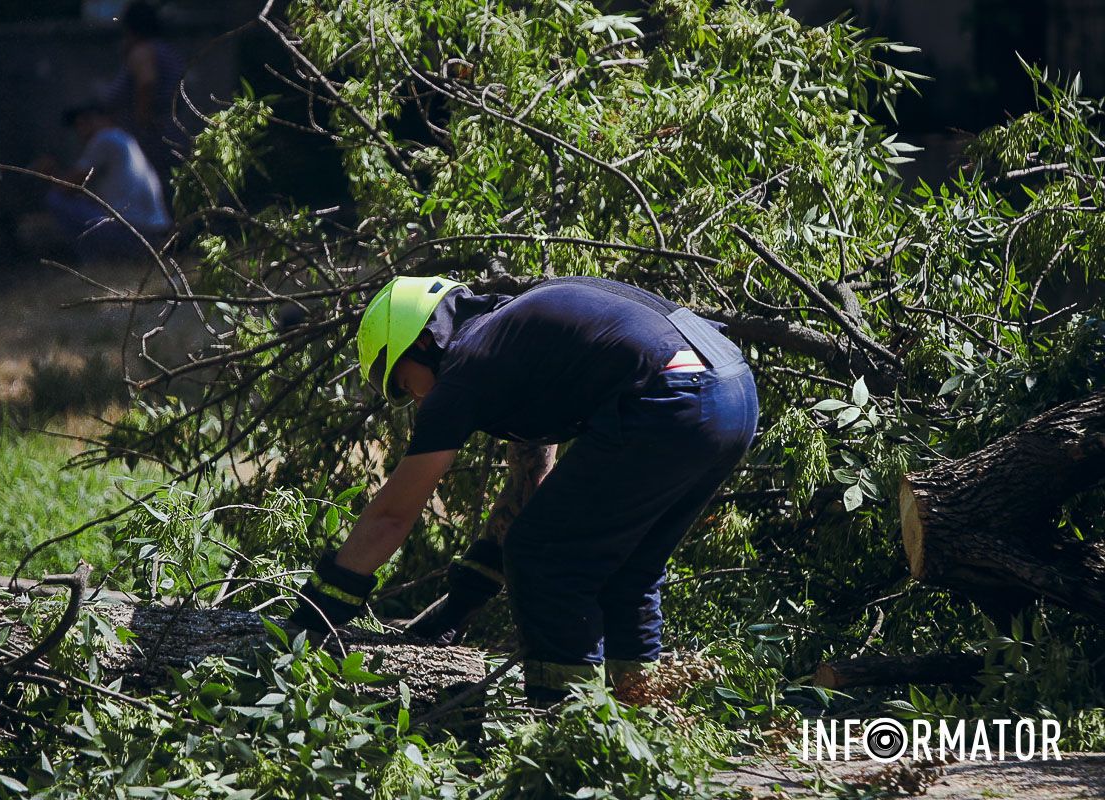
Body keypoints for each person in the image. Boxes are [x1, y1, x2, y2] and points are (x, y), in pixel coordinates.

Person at [289, 273, 760, 703]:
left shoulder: (466, 366)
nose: (416, 398)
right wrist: (461, 602)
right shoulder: (509, 333)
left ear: (425, 341)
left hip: (673, 393)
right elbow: (530, 481)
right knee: (628, 571)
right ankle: (642, 715)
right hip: (731, 387)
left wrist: (312, 618)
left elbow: (392, 516)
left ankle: (569, 730)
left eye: (404, 382)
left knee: (547, 557)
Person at [39, 103, 171, 264]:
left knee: (55, 199)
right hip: (152, 232)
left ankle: (93, 260)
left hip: (134, 232)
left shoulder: (104, 139)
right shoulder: (122, 138)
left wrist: (49, 172)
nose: (81, 130)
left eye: (84, 122)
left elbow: (69, 187)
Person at [102, 0, 188, 191]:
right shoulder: (164, 50)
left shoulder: (143, 52)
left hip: (153, 137)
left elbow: (147, 82)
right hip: (169, 132)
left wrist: (142, 124)